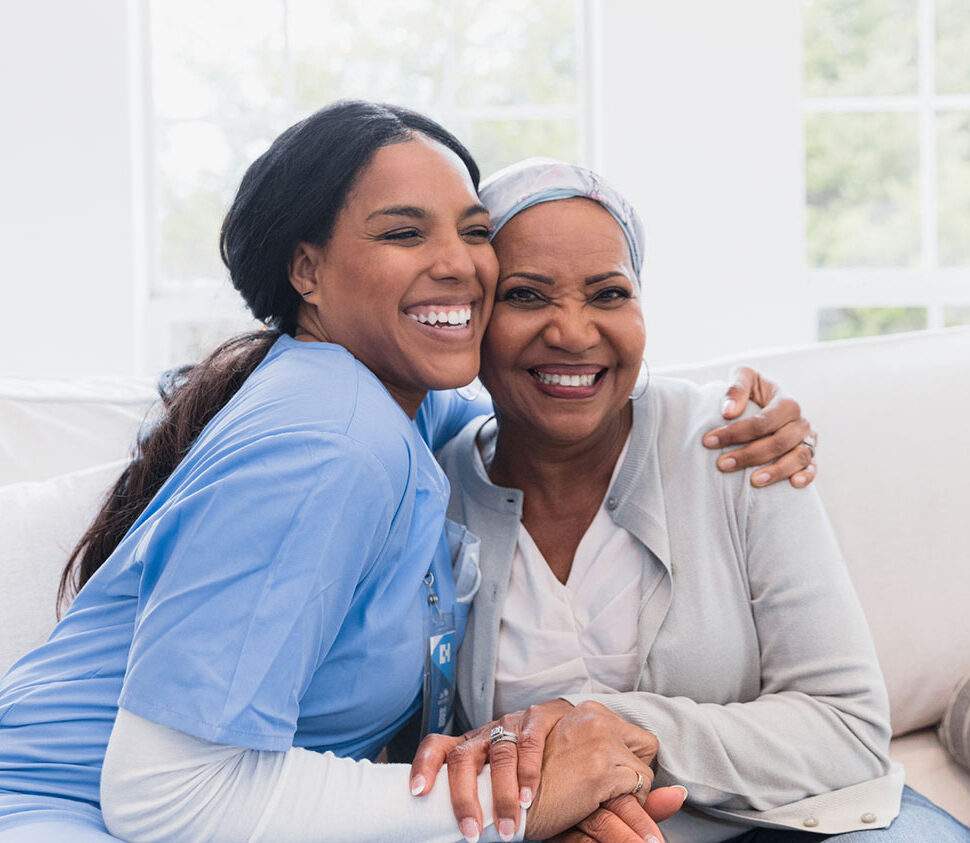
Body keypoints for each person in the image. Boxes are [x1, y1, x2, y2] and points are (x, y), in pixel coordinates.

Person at [0, 104, 813, 843]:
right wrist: (528, 803)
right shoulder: (328, 440)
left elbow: (548, 410)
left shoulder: (402, 408)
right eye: (403, 233)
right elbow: (166, 795)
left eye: (472, 231)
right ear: (306, 270)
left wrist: (723, 419)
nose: (459, 264)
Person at [410, 159, 970, 842]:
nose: (574, 332)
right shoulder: (432, 494)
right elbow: (423, 751)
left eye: (609, 294)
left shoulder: (735, 442)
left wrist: (615, 727)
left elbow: (846, 726)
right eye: (527, 296)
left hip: (806, 820)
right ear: (474, 314)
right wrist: (555, 809)